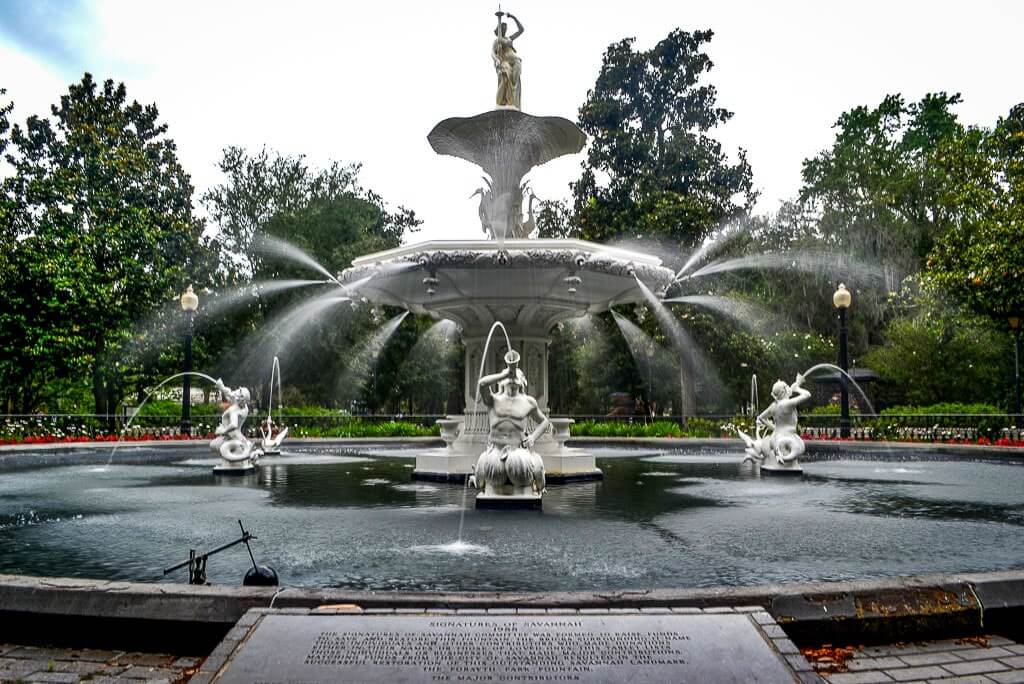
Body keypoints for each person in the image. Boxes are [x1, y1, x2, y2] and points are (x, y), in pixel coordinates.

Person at [474, 349, 548, 495]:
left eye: (516, 374)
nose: (512, 376)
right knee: (493, 470)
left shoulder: (529, 402)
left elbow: (545, 422)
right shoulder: (493, 400)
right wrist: (505, 373)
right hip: (495, 451)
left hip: (518, 452)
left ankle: (535, 485)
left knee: (517, 464)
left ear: (523, 381)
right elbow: (481, 384)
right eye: (509, 375)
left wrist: (533, 437)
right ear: (502, 380)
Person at [492, 11, 524, 109]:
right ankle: (500, 103)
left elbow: (521, 30)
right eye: (502, 28)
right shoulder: (497, 41)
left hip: (516, 62)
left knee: (514, 83)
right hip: (505, 62)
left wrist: (513, 17)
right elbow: (492, 53)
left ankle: (511, 103)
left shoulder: (509, 39)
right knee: (505, 79)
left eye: (505, 28)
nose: (505, 29)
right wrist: (496, 59)